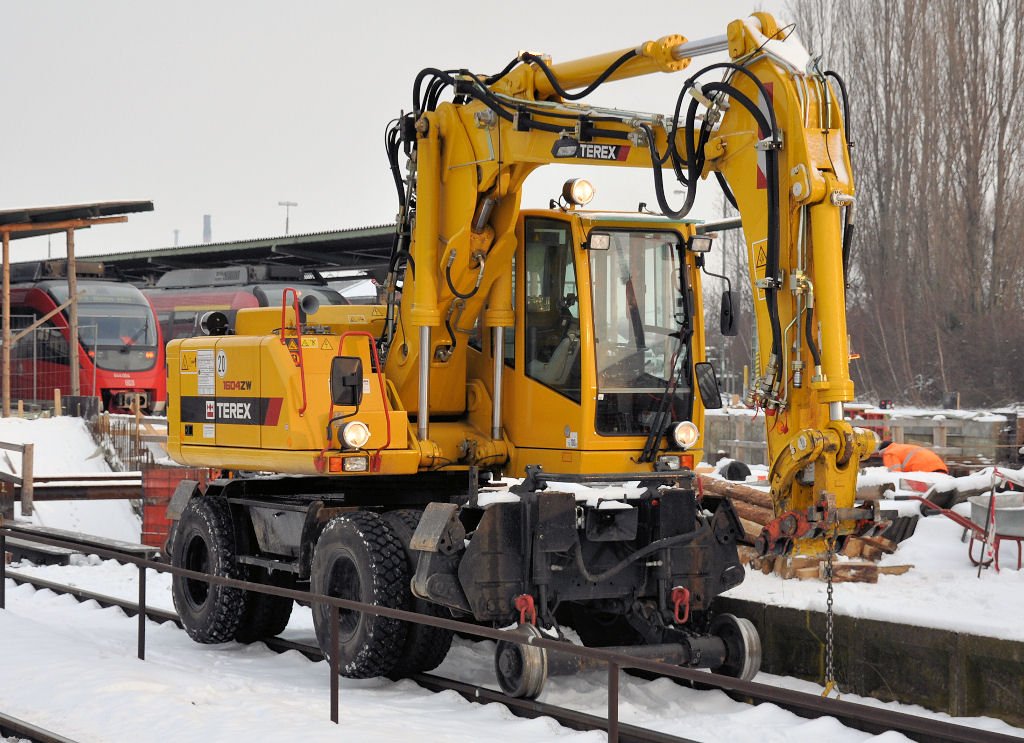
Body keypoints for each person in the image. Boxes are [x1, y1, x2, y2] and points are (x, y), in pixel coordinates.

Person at [876, 440, 948, 474]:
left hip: (925, 473)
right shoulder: (902, 448)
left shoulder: (889, 453)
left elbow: (895, 475)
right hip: (941, 468)